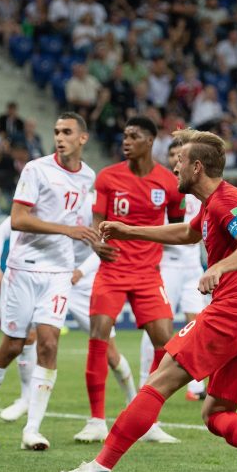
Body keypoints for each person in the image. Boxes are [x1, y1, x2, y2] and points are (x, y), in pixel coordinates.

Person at [58, 129, 237, 472]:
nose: (173, 167)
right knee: (216, 412)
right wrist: (130, 231)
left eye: (178, 161)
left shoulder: (226, 201)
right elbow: (187, 234)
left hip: (234, 312)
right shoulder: (212, 205)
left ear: (196, 167)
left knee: (159, 379)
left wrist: (218, 268)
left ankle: (98, 468)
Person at [0, 112, 100, 451]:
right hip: (24, 268)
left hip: (58, 272)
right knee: (12, 346)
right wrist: (67, 230)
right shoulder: (36, 169)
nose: (60, 137)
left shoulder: (88, 177)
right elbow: (18, 219)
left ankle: (32, 430)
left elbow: (82, 222)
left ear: (82, 138)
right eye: (56, 131)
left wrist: (96, 244)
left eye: (67, 132)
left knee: (49, 344)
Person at [75, 116, 183, 444]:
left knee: (165, 342)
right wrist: (97, 243)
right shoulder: (109, 176)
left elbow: (178, 226)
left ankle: (146, 419)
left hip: (149, 274)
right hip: (112, 269)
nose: (126, 140)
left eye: (133, 136)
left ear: (150, 141)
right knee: (99, 336)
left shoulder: (168, 182)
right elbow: (97, 221)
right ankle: (96, 420)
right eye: (124, 135)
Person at [0, 210, 137, 425]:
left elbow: (106, 247)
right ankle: (25, 397)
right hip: (49, 276)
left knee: (109, 351)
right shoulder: (43, 201)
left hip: (83, 283)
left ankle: (133, 399)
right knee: (28, 338)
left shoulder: (90, 203)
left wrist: (80, 272)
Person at [157, 141, 209, 401]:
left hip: (192, 266)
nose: (176, 161)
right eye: (172, 155)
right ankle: (151, 376)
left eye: (180, 156)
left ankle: (196, 387)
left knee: (198, 324)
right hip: (167, 265)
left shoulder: (197, 190)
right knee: (158, 325)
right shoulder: (161, 188)